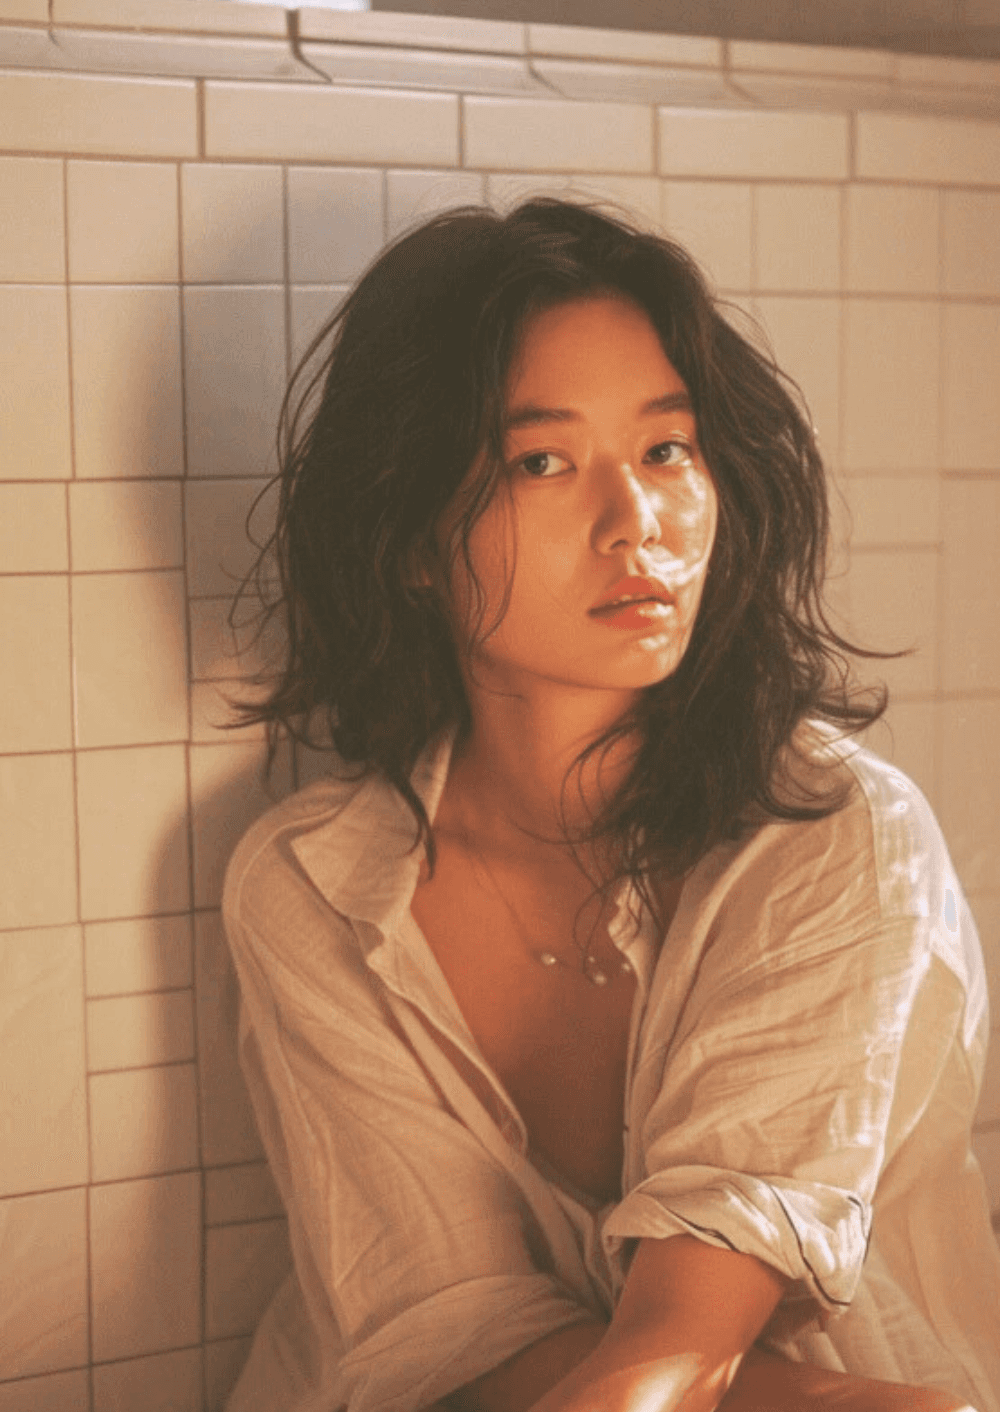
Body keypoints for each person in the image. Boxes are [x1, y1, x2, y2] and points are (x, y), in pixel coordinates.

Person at [220, 196, 1000, 1412]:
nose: (635, 521)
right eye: (543, 461)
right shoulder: (313, 885)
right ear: (412, 539)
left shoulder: (839, 835)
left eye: (666, 450)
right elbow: (444, 1336)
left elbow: (685, 1344)